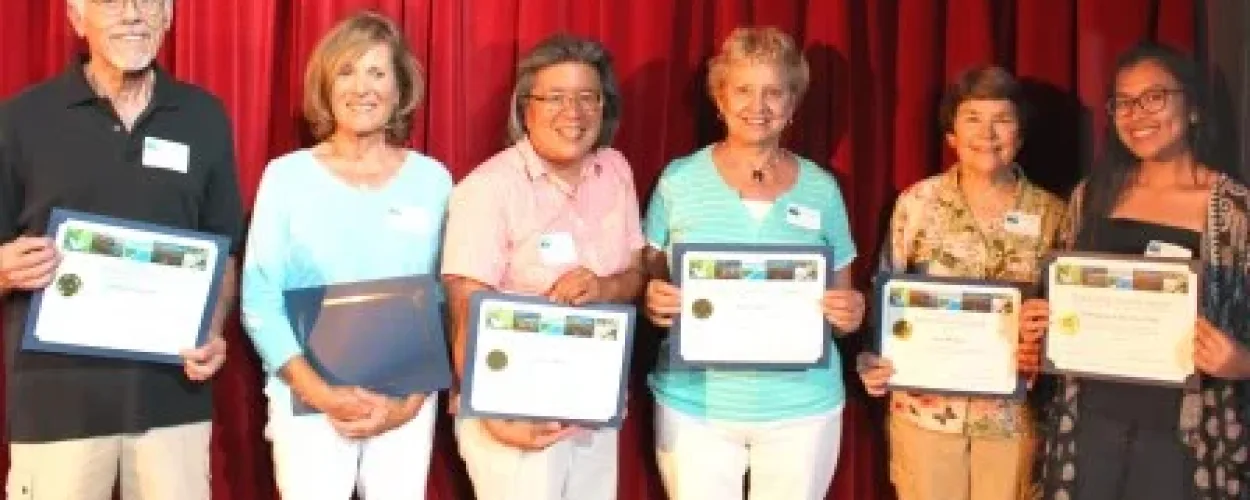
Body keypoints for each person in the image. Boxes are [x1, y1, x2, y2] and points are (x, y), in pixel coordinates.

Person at [0, 0, 242, 498]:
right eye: (111, 1)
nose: (133, 14)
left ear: (170, 15)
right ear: (75, 17)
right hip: (57, 406)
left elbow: (223, 247)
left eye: (149, 1)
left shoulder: (204, 116)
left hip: (172, 399)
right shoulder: (21, 119)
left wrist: (212, 327)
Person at [642, 27, 864, 500]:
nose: (757, 106)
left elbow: (844, 308)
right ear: (719, 98)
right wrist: (654, 300)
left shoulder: (822, 189)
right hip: (695, 408)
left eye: (773, 92)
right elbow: (649, 282)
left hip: (802, 410)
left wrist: (850, 313)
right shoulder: (678, 181)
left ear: (793, 104)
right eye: (743, 90)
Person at [239, 11, 450, 499]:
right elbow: (260, 297)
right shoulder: (286, 177)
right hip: (307, 397)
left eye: (378, 73)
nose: (363, 88)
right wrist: (320, 393)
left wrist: (410, 403)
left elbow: (444, 299)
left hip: (405, 404)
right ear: (326, 87)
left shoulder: (432, 180)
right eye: (347, 72)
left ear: (400, 89)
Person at [1035, 42, 1250, 500]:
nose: (1138, 113)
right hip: (1089, 428)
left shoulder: (1233, 211)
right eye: (1125, 103)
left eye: (1155, 97)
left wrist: (1242, 363)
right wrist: (1041, 323)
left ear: (1191, 108)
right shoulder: (1091, 197)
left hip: (1184, 438)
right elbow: (1061, 298)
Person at [441, 34, 646, 500]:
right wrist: (494, 413)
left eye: (586, 97)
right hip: (515, 414)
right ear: (525, 108)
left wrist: (605, 287)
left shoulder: (616, 172)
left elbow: (634, 275)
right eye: (555, 97)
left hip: (593, 408)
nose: (572, 113)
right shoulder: (488, 189)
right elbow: (465, 308)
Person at [854, 66, 1066, 500]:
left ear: (1021, 135)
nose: (987, 133)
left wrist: (1043, 339)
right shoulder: (916, 203)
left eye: (1002, 120)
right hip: (924, 414)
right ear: (951, 134)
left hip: (1014, 418)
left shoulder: (1055, 215)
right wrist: (872, 359)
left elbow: (1068, 319)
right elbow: (885, 294)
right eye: (972, 118)